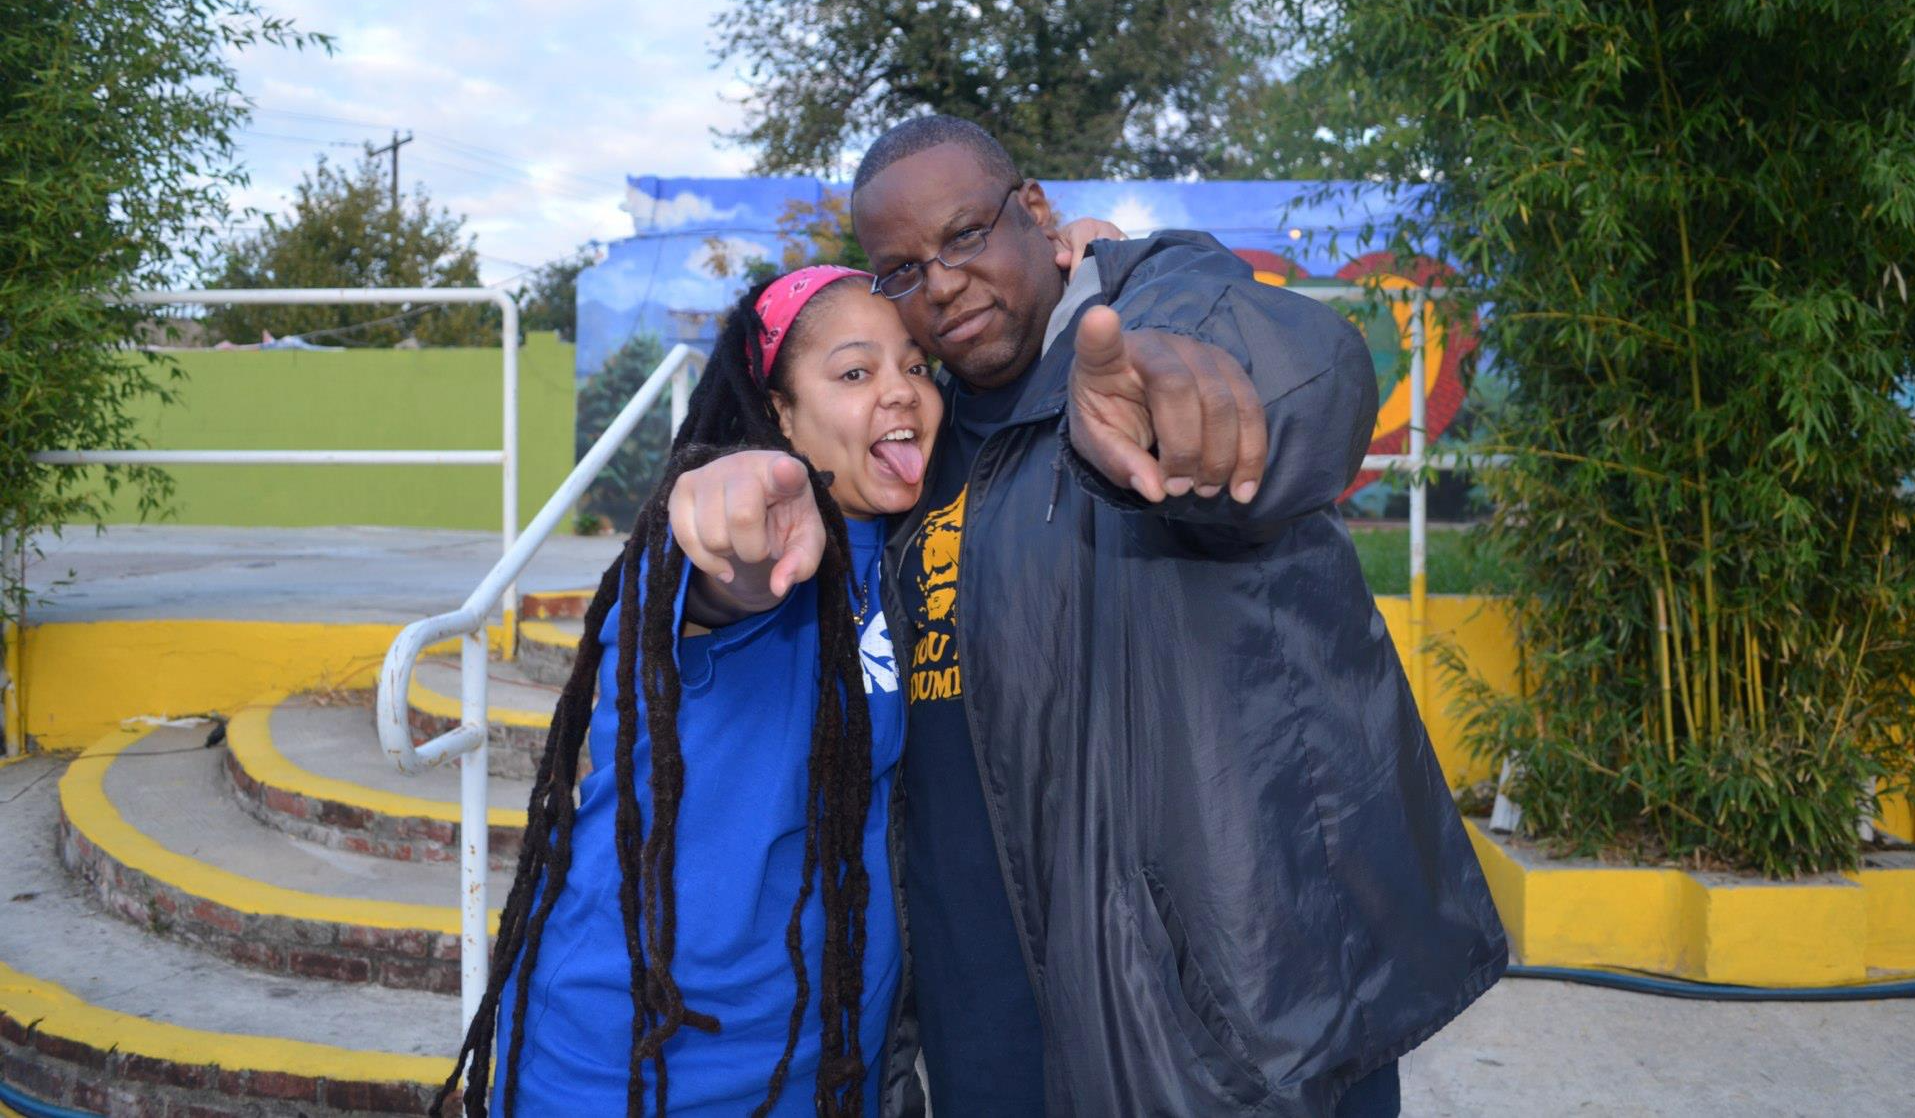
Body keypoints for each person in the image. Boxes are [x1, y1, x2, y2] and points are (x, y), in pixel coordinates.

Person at [671, 116, 1508, 1117]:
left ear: (1035, 213)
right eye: (903, 270)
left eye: (965, 235)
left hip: (1216, 1050)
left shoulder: (1160, 309)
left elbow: (1303, 375)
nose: (943, 284)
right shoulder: (914, 460)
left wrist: (1185, 402)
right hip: (985, 1046)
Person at [441, 265, 937, 1117]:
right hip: (632, 1065)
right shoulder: (719, 550)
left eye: (917, 365)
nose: (900, 390)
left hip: (820, 1062)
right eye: (856, 372)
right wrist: (725, 514)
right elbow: (722, 575)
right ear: (780, 412)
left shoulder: (909, 558)